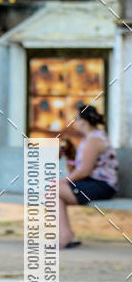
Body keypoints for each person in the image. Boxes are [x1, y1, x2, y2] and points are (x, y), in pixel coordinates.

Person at [58, 104, 118, 249]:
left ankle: (65, 235)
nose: (75, 122)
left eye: (76, 119)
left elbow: (84, 170)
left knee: (53, 190)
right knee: (54, 192)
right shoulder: (91, 137)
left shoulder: (94, 140)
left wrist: (64, 181)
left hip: (101, 186)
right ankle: (65, 234)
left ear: (83, 121)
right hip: (93, 183)